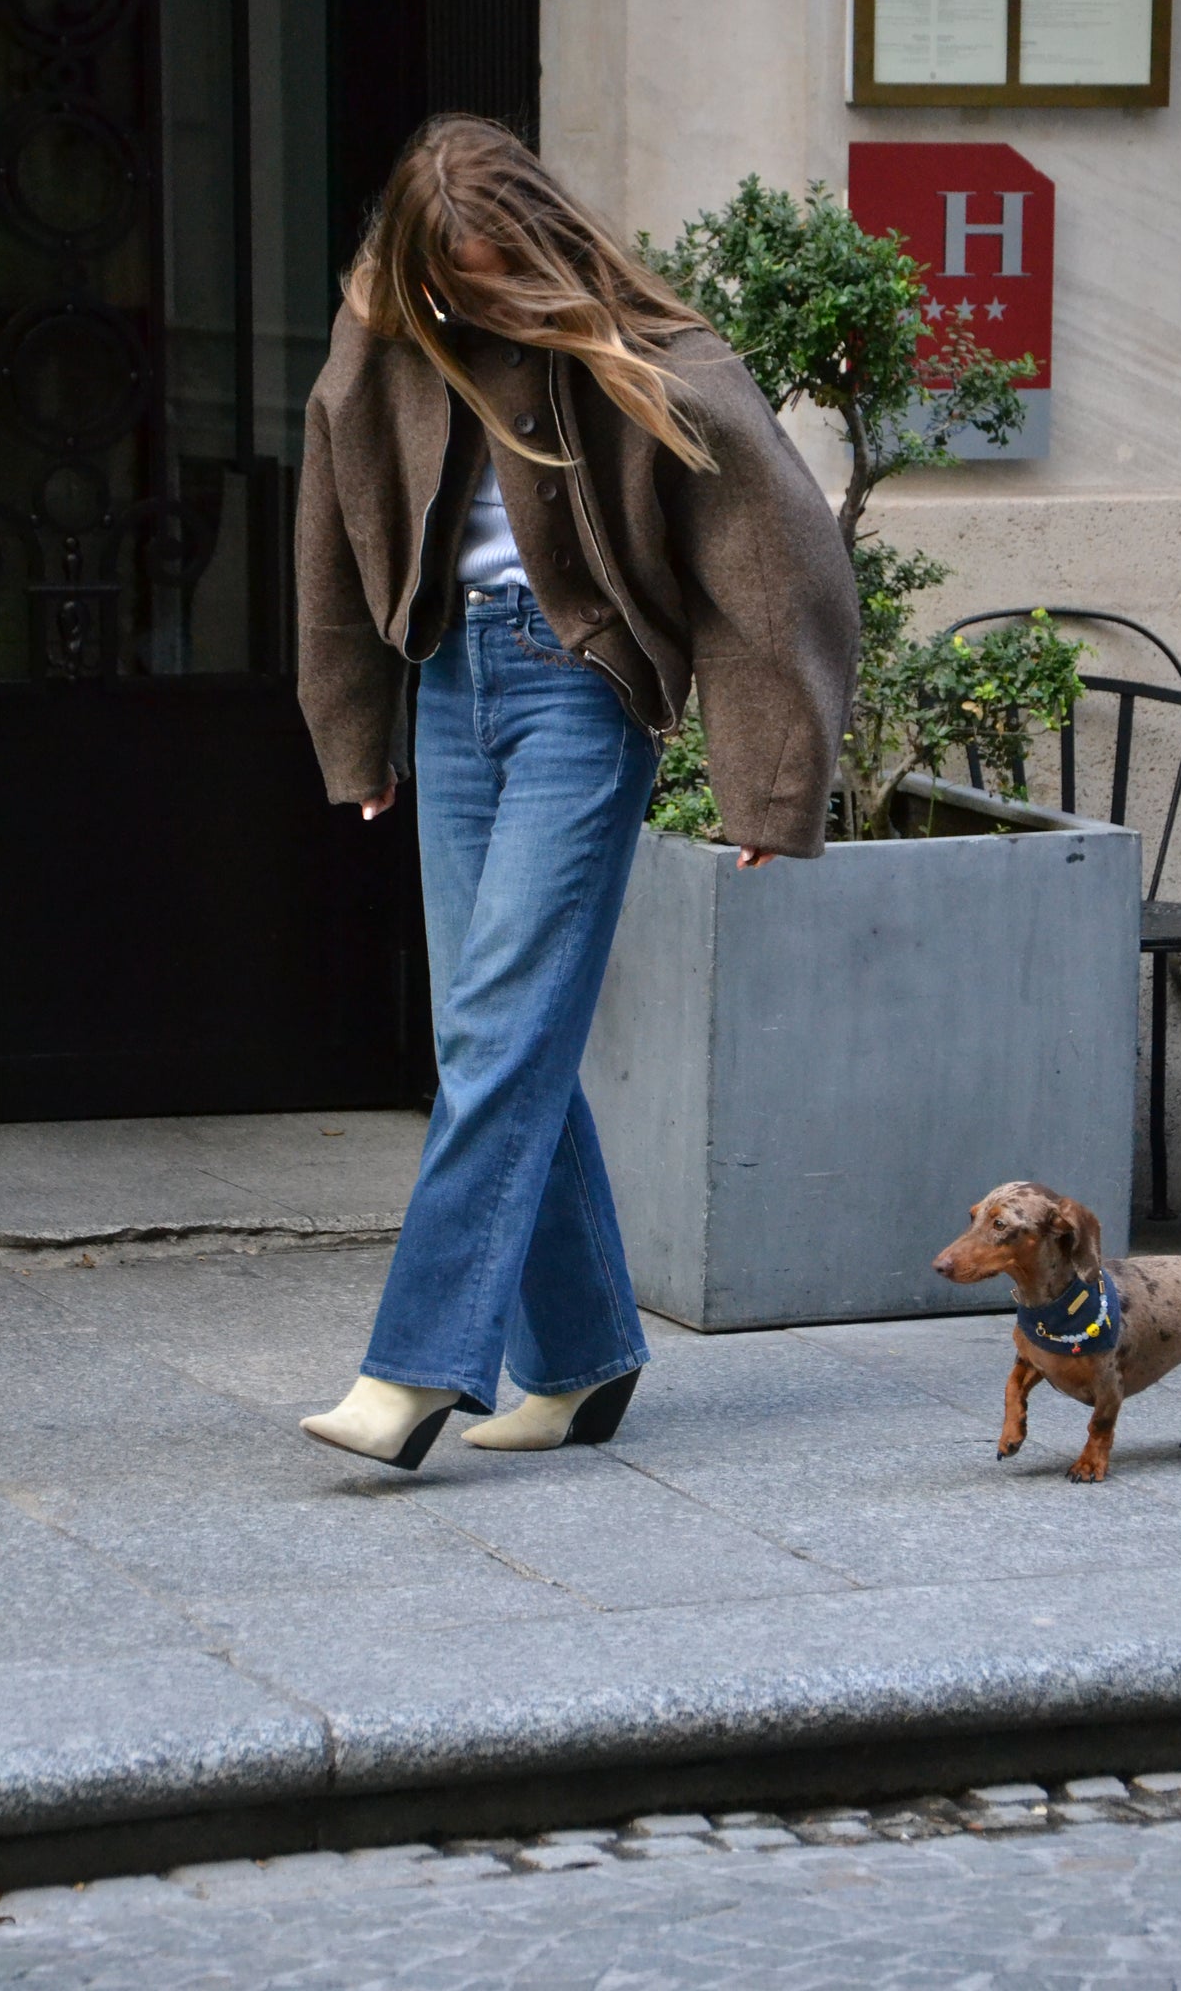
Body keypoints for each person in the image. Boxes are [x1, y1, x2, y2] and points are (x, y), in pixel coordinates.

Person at [295, 114, 859, 1470]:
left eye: (499, 282)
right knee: (488, 1035)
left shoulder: (648, 348)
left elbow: (775, 558)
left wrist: (769, 781)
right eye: (454, 287)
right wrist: (357, 734)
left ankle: (416, 1368)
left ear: (542, 246)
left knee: (497, 1030)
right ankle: (587, 1354)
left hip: (579, 691)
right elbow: (331, 524)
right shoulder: (384, 336)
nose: (477, 308)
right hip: (449, 685)